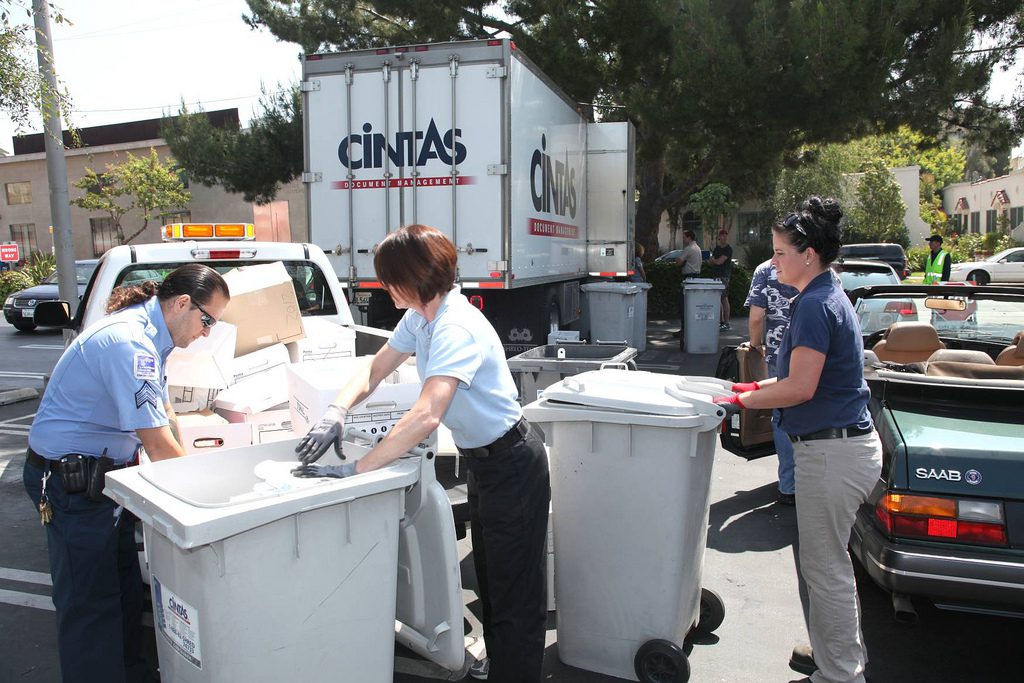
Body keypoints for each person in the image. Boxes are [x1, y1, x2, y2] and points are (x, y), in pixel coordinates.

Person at [293, 224, 550, 683]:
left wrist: (357, 468)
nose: (381, 287)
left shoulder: (455, 326)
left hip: (512, 461)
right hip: (485, 462)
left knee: (515, 593)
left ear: (413, 278)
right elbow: (374, 367)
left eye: (387, 279)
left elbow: (428, 413)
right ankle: (504, 667)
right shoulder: (421, 317)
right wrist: (335, 411)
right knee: (491, 580)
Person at [23, 263, 230, 683]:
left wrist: (191, 467)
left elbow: (165, 412)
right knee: (89, 605)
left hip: (107, 483)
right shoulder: (129, 343)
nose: (207, 332)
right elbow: (156, 441)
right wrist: (208, 498)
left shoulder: (155, 338)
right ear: (182, 303)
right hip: (72, 485)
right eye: (207, 320)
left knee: (121, 594)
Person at [713, 197, 882, 683]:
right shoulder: (826, 295)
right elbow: (801, 380)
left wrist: (740, 403)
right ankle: (840, 654)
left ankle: (840, 674)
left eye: (780, 253)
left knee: (824, 569)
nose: (773, 263)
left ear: (809, 254)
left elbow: (802, 388)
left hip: (832, 453)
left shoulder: (813, 305)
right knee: (830, 567)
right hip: (841, 447)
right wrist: (748, 388)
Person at [744, 257, 799, 505]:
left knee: (782, 414)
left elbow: (756, 316)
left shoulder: (765, 269)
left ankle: (789, 485)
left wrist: (755, 344)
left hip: (779, 352)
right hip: (813, 350)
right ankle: (809, 481)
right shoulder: (816, 268)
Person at [673, 229, 702, 343]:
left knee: (683, 304)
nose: (683, 239)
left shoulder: (689, 248)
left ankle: (684, 330)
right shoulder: (697, 248)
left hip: (688, 278)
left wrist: (679, 260)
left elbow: (678, 262)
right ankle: (691, 329)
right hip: (696, 277)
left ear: (689, 237)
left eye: (684, 237)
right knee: (693, 305)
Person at [707, 229, 734, 329]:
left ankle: (726, 322)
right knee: (717, 299)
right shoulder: (717, 248)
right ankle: (720, 321)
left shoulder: (728, 249)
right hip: (715, 275)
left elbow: (719, 261)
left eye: (725, 236)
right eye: (722, 236)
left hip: (724, 276)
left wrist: (714, 260)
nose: (723, 238)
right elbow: (710, 262)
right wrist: (714, 260)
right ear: (719, 237)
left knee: (724, 298)